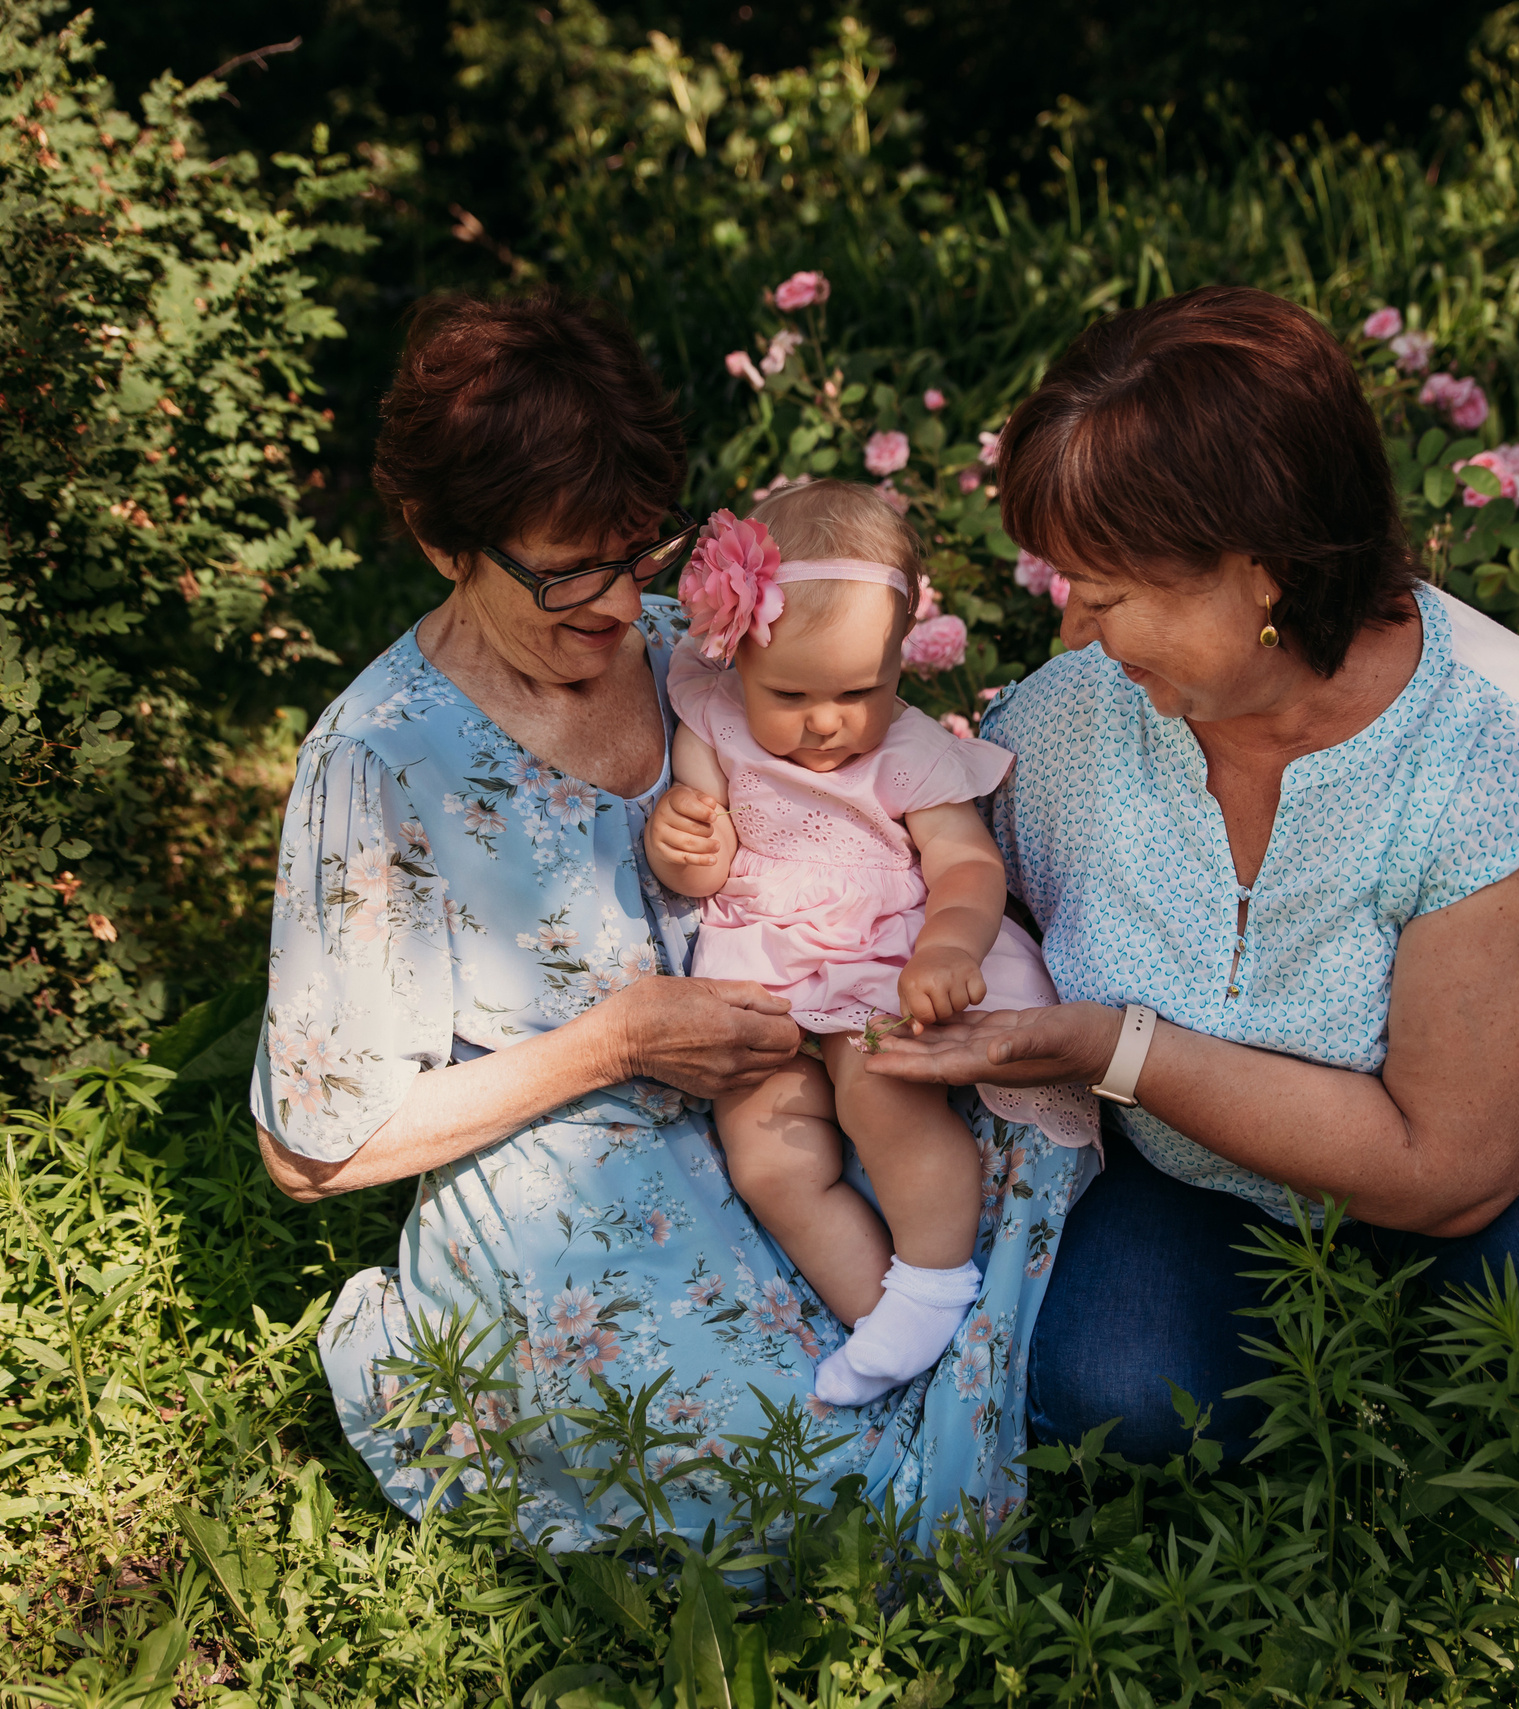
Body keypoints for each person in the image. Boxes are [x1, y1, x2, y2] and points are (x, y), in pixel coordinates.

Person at [250, 290, 1096, 1543]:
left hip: (824, 1073)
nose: (613, 605)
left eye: (637, 553)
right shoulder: (381, 762)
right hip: (590, 1183)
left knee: (1015, 1219)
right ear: (441, 540)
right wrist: (618, 1039)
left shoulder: (695, 650)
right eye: (564, 572)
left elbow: (877, 778)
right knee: (808, 1480)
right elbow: (311, 1152)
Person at [867, 285, 1519, 1460]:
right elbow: (913, 877)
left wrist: (1111, 1044)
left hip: (1457, 1145)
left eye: (1106, 592)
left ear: (1261, 569)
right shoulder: (1065, 725)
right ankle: (1289, 1388)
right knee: (1114, 1394)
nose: (1073, 629)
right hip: (1180, 1164)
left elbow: (1447, 1167)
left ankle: (1457, 1458)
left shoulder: (1493, 745)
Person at [645, 483, 1097, 1408]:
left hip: (877, 959)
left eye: (861, 690)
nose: (826, 722)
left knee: (879, 1091)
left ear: (901, 663)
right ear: (737, 661)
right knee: (765, 1149)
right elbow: (701, 846)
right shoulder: (715, 718)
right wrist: (684, 844)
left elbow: (969, 865)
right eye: (793, 694)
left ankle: (932, 1277)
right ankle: (876, 1314)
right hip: (762, 966)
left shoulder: (911, 752)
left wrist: (947, 946)